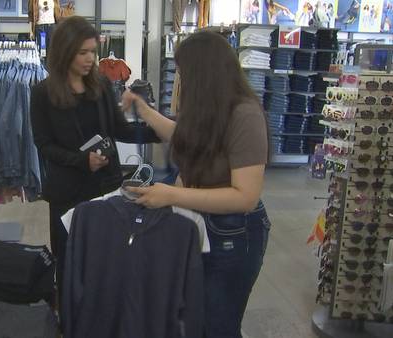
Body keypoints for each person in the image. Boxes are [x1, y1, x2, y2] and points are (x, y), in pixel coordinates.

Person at [122, 31, 271, 338]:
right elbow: (184, 139)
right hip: (202, 226)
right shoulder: (208, 110)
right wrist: (145, 110)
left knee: (218, 325)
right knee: (196, 320)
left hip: (233, 234)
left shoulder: (245, 115)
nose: (179, 80)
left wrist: (172, 195)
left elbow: (245, 196)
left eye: (183, 73)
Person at [30, 16, 158, 304]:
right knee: (69, 262)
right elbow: (44, 144)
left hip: (106, 187)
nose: (90, 59)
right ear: (65, 52)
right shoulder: (42, 93)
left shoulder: (100, 85)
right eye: (83, 53)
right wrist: (80, 160)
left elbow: (119, 129)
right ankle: (70, 321)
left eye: (93, 52)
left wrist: (162, 131)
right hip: (67, 192)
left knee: (107, 260)